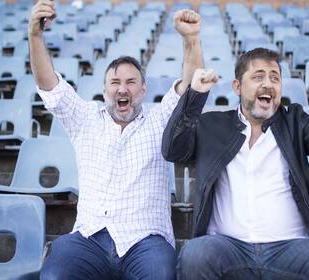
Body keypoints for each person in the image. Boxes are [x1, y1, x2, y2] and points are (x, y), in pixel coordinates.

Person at [28, 1, 203, 279]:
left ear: (143, 89)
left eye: (131, 82)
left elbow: (192, 86)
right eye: (115, 82)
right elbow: (49, 84)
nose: (123, 89)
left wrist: (191, 39)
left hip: (146, 240)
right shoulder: (85, 118)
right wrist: (35, 36)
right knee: (55, 275)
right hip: (88, 239)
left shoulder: (160, 121)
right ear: (104, 89)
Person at [162, 48, 309, 279]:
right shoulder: (212, 124)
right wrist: (194, 96)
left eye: (275, 78)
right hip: (227, 247)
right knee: (194, 256)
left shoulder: (295, 121)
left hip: (290, 248)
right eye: (258, 77)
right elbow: (172, 150)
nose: (268, 84)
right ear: (237, 87)